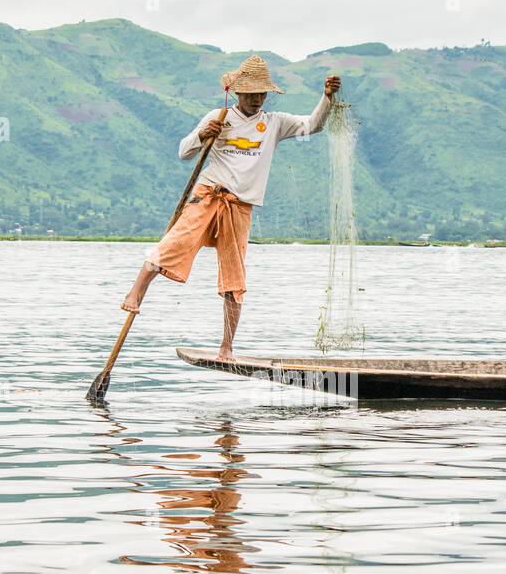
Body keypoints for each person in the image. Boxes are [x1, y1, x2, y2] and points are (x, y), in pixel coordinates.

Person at [121, 55, 341, 359]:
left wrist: (327, 98)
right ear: (237, 92)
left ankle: (226, 347)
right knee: (175, 244)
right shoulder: (220, 116)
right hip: (209, 194)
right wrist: (203, 135)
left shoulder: (274, 123)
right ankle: (135, 292)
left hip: (240, 205)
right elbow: (184, 152)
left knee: (234, 278)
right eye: (250, 93)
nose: (256, 99)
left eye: (261, 93)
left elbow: (312, 125)